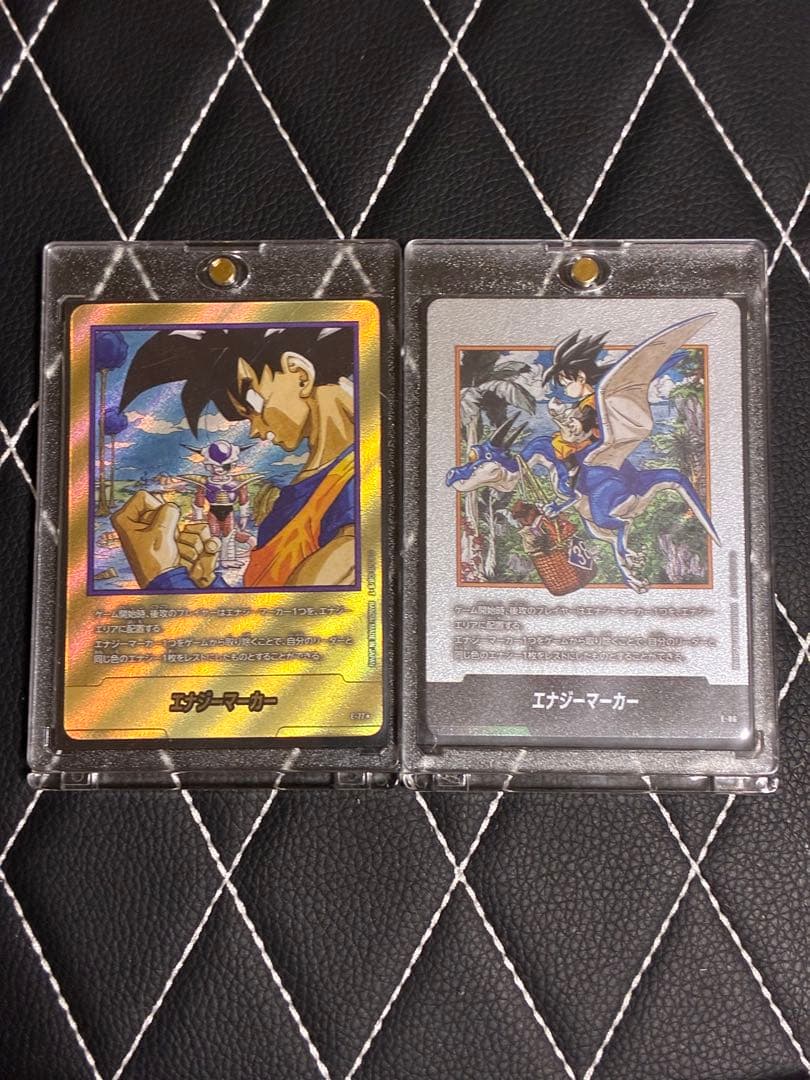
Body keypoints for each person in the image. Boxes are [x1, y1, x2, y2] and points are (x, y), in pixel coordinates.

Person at [111, 325, 356, 590]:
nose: (255, 430)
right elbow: (263, 602)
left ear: (300, 374)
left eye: (253, 405)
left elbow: (299, 615)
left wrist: (162, 575)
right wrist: (205, 584)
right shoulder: (314, 485)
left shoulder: (358, 491)